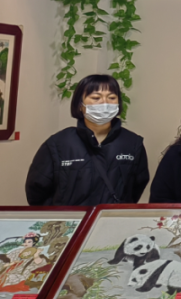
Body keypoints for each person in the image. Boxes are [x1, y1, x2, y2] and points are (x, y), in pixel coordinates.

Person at [26, 74, 149, 207]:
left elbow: (136, 188)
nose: (105, 103)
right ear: (80, 104)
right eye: (96, 98)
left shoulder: (132, 143)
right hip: (70, 218)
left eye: (112, 97)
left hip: (112, 217)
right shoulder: (58, 143)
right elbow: (37, 191)